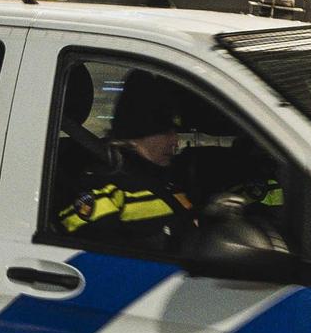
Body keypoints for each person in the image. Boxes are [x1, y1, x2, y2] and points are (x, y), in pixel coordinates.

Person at [57, 72, 276, 256]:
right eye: (165, 131)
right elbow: (88, 261)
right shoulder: (104, 188)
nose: (175, 140)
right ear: (137, 134)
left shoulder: (170, 177)